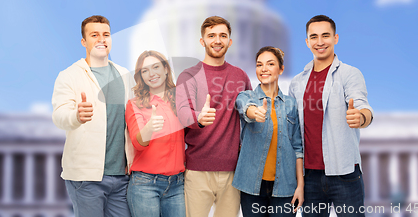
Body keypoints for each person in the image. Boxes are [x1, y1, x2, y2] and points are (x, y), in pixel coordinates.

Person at [288, 15, 373, 217]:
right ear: (307, 42)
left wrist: (360, 117)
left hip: (345, 173)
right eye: (314, 37)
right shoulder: (296, 83)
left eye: (325, 35)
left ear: (335, 38)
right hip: (310, 177)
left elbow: (363, 106)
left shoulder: (350, 74)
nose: (320, 42)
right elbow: (293, 131)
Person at [52, 15, 135, 217]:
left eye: (106, 34)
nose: (101, 39)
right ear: (84, 41)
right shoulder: (69, 75)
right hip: (86, 178)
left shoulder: (125, 75)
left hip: (121, 176)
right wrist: (76, 116)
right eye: (94, 35)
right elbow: (59, 115)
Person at [176, 16, 252, 217]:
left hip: (233, 172)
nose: (217, 40)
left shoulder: (241, 76)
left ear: (230, 41)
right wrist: (199, 118)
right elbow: (183, 113)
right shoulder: (188, 75)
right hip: (197, 171)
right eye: (211, 36)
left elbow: (248, 116)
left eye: (222, 36)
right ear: (202, 41)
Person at [234, 46, 304, 217]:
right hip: (251, 187)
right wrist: (254, 112)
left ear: (281, 69)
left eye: (270, 64)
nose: (263, 69)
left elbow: (297, 148)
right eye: (259, 65)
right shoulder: (247, 96)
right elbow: (244, 107)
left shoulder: (291, 104)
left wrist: (300, 186)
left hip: (285, 187)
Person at [125, 50, 186, 217]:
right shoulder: (135, 104)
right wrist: (149, 128)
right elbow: (137, 143)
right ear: (141, 77)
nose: (151, 74)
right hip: (145, 185)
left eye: (156, 67)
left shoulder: (180, 100)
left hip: (177, 184)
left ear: (166, 69)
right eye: (145, 71)